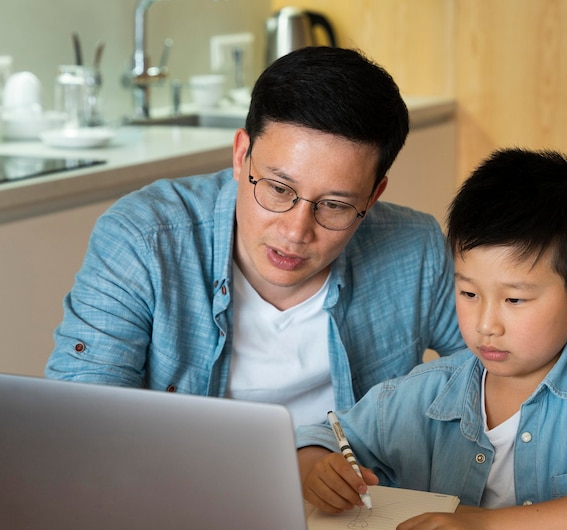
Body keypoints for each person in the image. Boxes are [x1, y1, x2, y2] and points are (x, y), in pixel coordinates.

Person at [45, 46, 464, 427]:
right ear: (240, 153)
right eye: (278, 189)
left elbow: (499, 373)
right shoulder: (144, 239)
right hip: (177, 498)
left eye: (335, 205)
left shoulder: (416, 246)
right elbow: (79, 422)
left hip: (363, 504)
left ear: (374, 196)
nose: (296, 232)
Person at [296, 147, 567, 530]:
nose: (486, 323)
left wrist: (484, 527)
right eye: (468, 293)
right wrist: (317, 470)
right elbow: (321, 437)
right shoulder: (428, 390)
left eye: (515, 300)